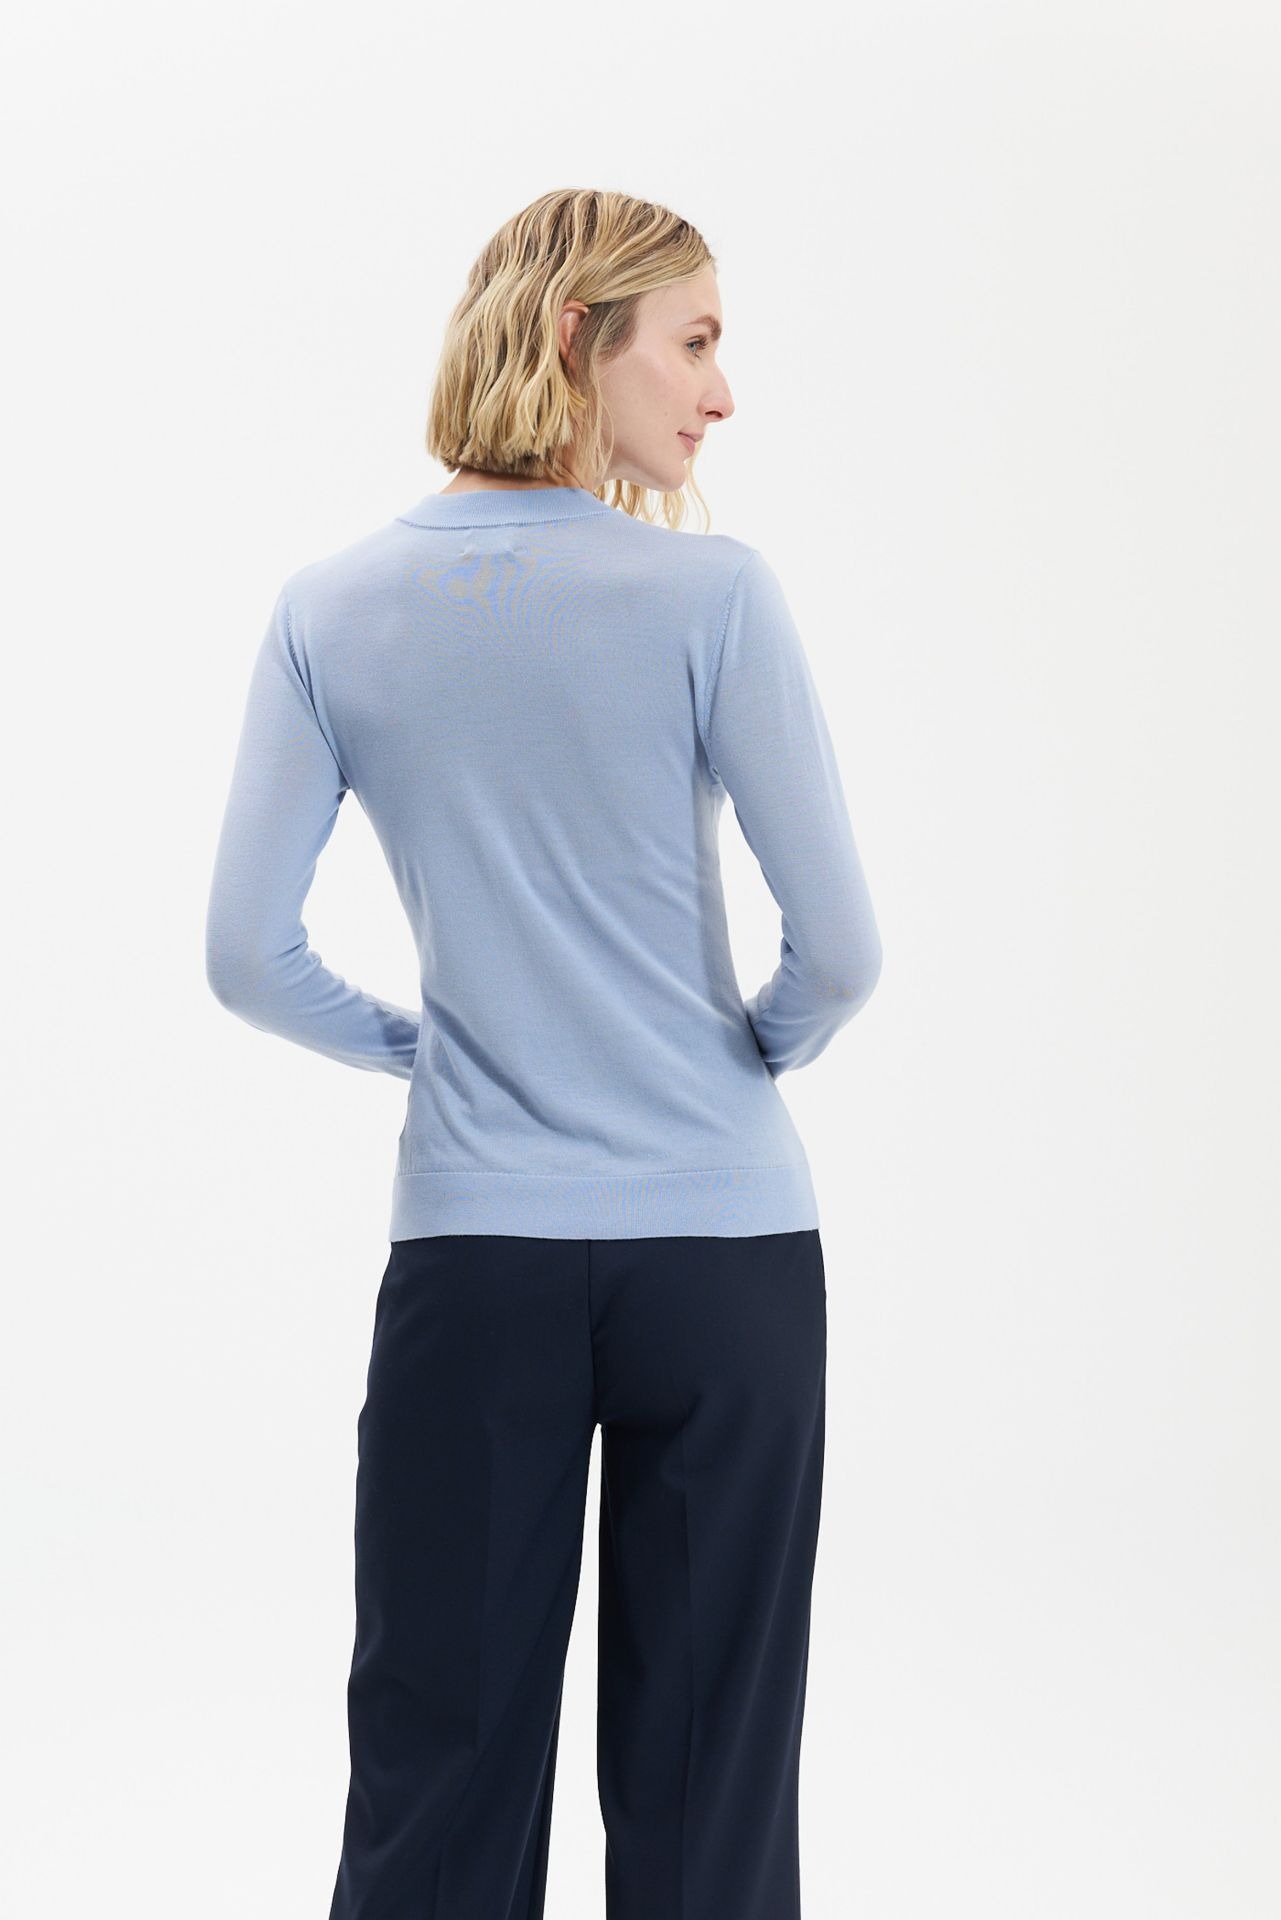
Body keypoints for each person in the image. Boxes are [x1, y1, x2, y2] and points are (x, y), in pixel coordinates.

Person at [205, 185, 882, 1920]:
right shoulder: (713, 595)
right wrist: (735, 1059)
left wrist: (426, 1049)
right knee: (709, 1799)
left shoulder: (329, 607)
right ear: (582, 338)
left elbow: (247, 959)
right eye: (696, 341)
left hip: (476, 1253)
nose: (721, 392)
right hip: (724, 1254)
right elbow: (840, 953)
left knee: (436, 1778)